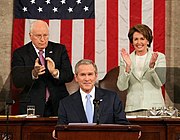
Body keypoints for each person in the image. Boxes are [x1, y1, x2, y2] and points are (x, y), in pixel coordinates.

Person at [52, 59, 130, 139]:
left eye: (90, 74)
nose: (87, 79)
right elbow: (61, 129)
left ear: (96, 76)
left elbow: (123, 125)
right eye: (82, 75)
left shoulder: (112, 98)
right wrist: (57, 131)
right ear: (76, 78)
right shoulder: (66, 103)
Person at [11, 20, 74, 117]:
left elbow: (69, 75)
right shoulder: (20, 53)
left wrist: (55, 72)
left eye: (45, 35)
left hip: (58, 103)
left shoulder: (59, 50)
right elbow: (17, 80)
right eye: (38, 36)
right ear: (30, 36)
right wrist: (33, 73)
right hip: (32, 104)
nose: (42, 39)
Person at [117, 24, 166, 116]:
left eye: (142, 38)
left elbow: (160, 83)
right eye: (136, 39)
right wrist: (128, 67)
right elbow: (121, 87)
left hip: (155, 110)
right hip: (133, 109)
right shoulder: (126, 59)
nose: (139, 42)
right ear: (132, 42)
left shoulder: (159, 57)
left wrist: (151, 67)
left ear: (148, 41)